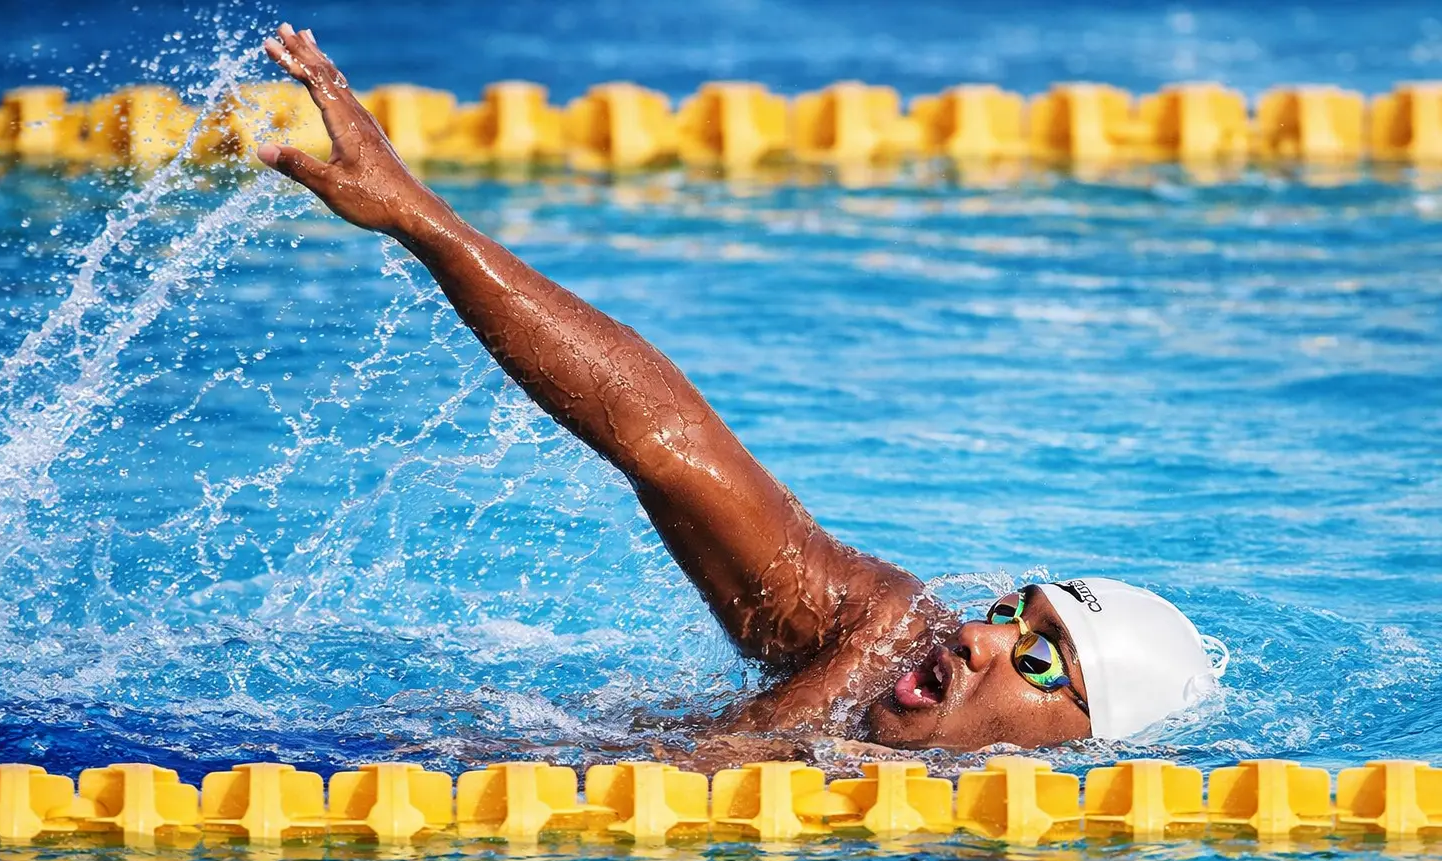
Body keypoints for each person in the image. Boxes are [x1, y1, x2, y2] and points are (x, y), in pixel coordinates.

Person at [253, 24, 1229, 760]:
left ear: (1084, 741)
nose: (979, 634)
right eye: (1015, 611)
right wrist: (424, 221)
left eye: (1038, 659)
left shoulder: (1024, 852)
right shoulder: (876, 631)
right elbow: (654, 431)